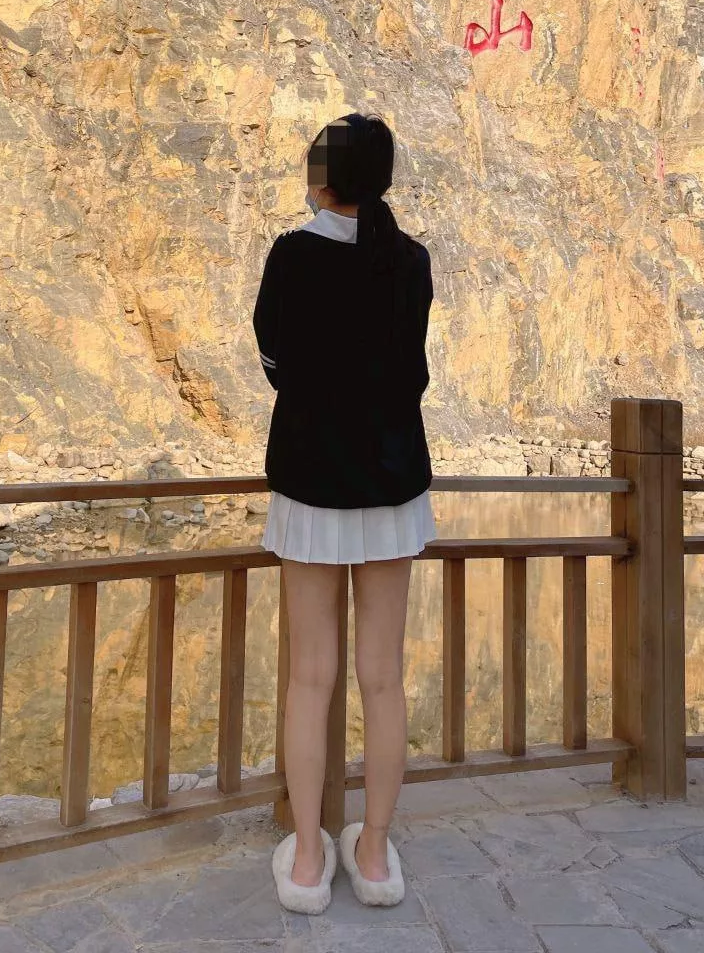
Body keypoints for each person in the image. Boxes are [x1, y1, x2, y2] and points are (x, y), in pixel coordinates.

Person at [252, 111, 436, 913]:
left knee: (310, 678)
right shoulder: (411, 261)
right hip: (391, 489)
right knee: (383, 680)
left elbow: (275, 362)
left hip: (311, 486)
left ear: (323, 179)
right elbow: (411, 372)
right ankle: (374, 854)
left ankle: (305, 864)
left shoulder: (292, 256)